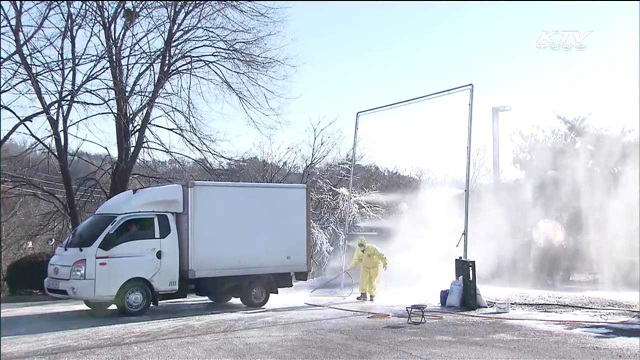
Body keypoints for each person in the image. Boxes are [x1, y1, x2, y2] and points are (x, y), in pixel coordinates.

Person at [348, 237, 388, 302]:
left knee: (372, 281)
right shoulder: (358, 251)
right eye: (359, 245)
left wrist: (385, 263)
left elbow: (381, 255)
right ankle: (363, 295)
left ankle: (372, 295)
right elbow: (356, 259)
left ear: (365, 244)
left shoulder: (372, 248)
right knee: (363, 280)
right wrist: (352, 266)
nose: (361, 247)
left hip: (374, 267)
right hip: (365, 267)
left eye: (362, 245)